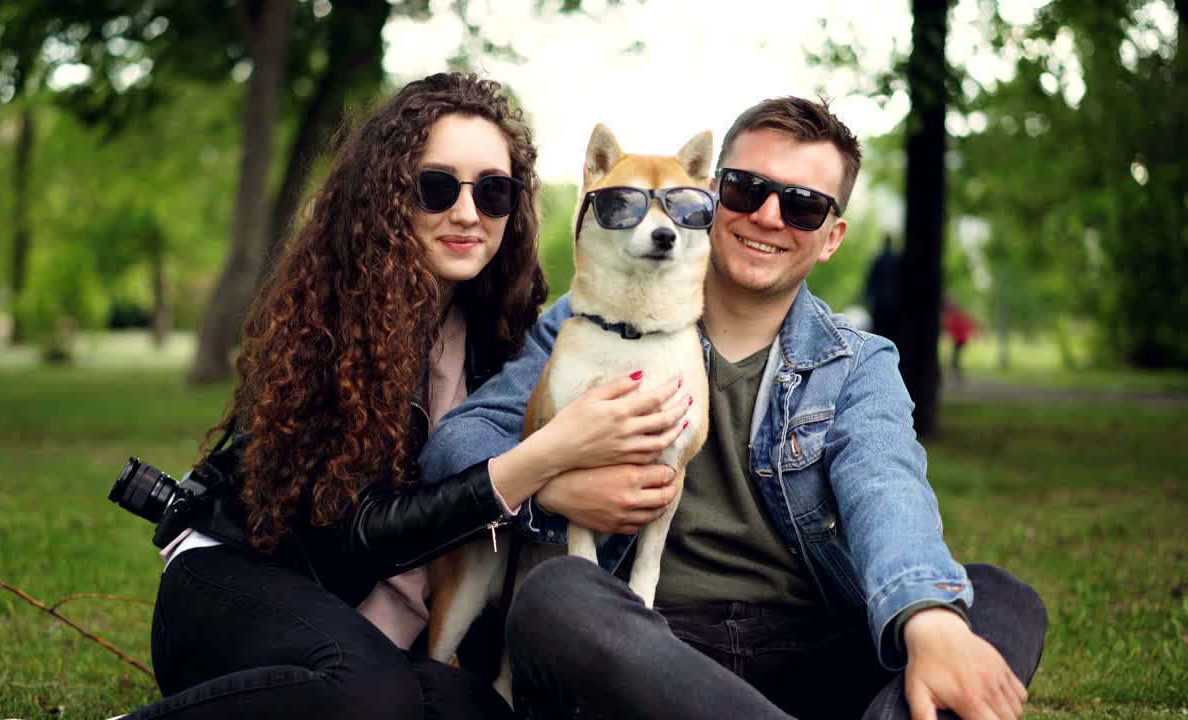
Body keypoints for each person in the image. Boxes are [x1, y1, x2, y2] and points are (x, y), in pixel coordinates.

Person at [419, 97, 1047, 719]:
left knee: (997, 600)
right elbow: (458, 442)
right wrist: (550, 485)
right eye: (747, 190)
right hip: (648, 641)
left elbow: (888, 489)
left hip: (813, 643)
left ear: (832, 238)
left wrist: (928, 620)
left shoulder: (855, 362)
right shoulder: (590, 322)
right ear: (710, 199)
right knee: (557, 597)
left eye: (803, 206)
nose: (770, 218)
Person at [119, 72, 685, 720]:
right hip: (240, 579)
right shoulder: (337, 320)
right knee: (370, 696)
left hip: (372, 629)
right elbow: (353, 536)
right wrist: (540, 462)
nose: (468, 213)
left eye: (493, 192)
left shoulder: (503, 328)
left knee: (480, 711)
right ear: (387, 193)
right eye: (436, 186)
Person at [943, 297, 979, 382]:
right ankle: (958, 378)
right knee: (955, 360)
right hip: (959, 340)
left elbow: (963, 325)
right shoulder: (955, 315)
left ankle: (959, 378)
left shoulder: (957, 315)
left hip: (960, 340)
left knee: (955, 360)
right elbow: (952, 327)